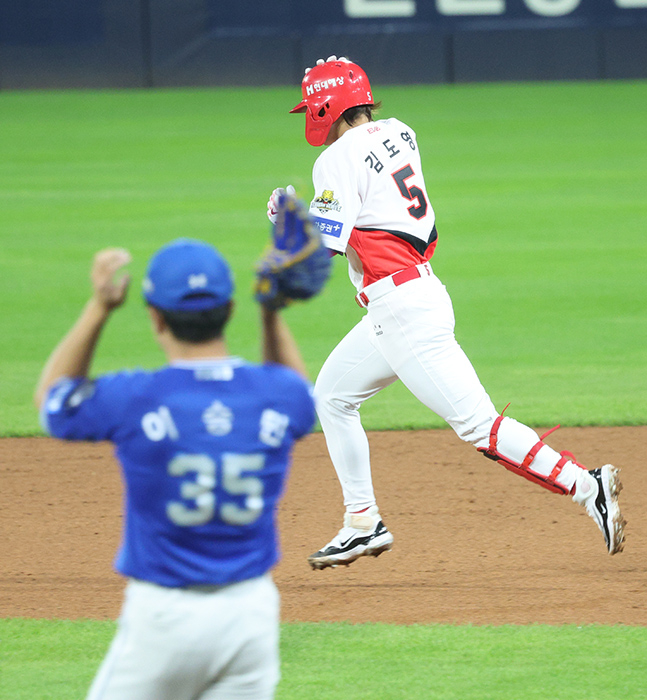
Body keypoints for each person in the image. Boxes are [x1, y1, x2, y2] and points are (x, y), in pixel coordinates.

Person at [267, 55, 626, 571]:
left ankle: (586, 485)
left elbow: (318, 255)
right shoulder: (400, 132)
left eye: (312, 107)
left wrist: (287, 222)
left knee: (480, 426)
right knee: (334, 396)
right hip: (412, 298)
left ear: (327, 105)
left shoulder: (336, 159)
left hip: (402, 310)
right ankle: (362, 523)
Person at [34, 237, 316, 700]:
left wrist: (100, 308)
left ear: (155, 316)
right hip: (252, 616)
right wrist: (270, 313)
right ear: (229, 310)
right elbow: (298, 394)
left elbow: (53, 403)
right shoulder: (275, 396)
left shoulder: (136, 397)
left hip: (164, 617)